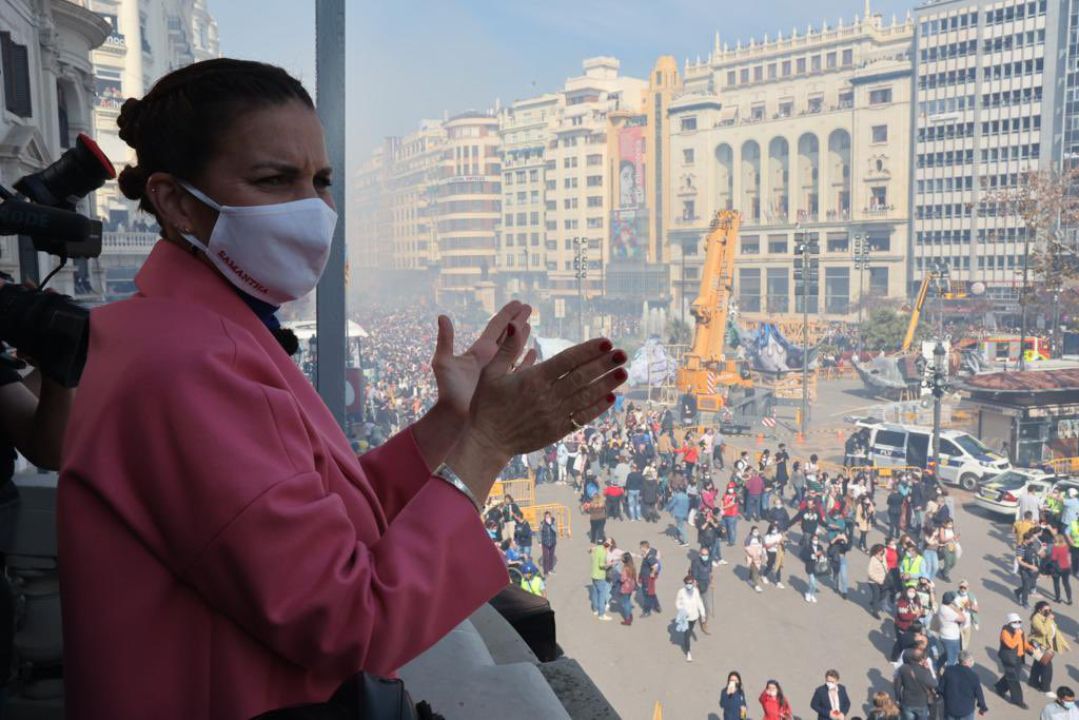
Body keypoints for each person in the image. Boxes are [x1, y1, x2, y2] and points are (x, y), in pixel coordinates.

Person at [57, 58, 630, 719]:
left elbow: (320, 514)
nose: (312, 208)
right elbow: (348, 622)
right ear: (177, 202)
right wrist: (488, 446)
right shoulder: (185, 365)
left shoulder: (203, 330)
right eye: (275, 180)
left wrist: (452, 421)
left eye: (320, 181)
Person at [1030, 601, 1070, 694]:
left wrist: (1063, 643)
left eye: (1050, 610)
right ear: (1040, 610)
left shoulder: (1047, 617)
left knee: (1038, 664)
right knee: (1047, 667)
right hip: (1040, 646)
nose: (1049, 611)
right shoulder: (1036, 618)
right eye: (1046, 610)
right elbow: (1043, 631)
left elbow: (1055, 631)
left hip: (1047, 645)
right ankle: (1046, 689)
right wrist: (1048, 619)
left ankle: (1033, 682)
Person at [994, 612, 1031, 709]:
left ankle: (1000, 687)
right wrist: (1017, 634)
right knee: (1014, 679)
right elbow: (1011, 644)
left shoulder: (1020, 631)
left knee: (1012, 676)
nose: (1018, 623)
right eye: (1015, 622)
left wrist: (1031, 649)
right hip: (1008, 658)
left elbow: (1024, 643)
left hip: (1018, 658)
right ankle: (1017, 700)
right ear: (1009, 622)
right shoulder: (1005, 632)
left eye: (1019, 621)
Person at [939, 651, 988, 720]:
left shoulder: (949, 670)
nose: (972, 662)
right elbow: (979, 693)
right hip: (966, 711)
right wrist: (982, 707)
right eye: (971, 660)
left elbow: (941, 688)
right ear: (966, 662)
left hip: (950, 708)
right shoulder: (973, 676)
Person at [675, 575, 706, 662]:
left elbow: (699, 603)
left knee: (690, 629)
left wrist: (703, 614)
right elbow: (677, 602)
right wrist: (682, 610)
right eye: (687, 583)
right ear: (685, 583)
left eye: (690, 583)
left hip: (694, 616)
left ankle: (686, 640)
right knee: (687, 634)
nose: (689, 585)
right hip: (685, 618)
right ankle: (688, 653)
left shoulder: (695, 591)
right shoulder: (681, 592)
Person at [936, 591, 967, 667]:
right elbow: (963, 618)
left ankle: (936, 666)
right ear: (951, 601)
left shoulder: (942, 607)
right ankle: (948, 675)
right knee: (952, 659)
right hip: (951, 638)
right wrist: (956, 608)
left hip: (945, 636)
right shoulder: (948, 611)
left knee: (947, 654)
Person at [1017, 529, 1042, 608]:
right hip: (1024, 570)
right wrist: (1031, 566)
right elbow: (1019, 561)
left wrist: (1042, 549)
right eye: (1031, 539)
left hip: (1033, 569)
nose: (1032, 540)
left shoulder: (1031, 545)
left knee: (1030, 584)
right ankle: (1025, 602)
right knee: (1027, 585)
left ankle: (1018, 591)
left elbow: (1036, 553)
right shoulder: (1020, 548)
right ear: (1026, 540)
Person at [691, 547, 715, 624]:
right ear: (700, 554)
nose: (705, 556)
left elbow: (710, 572)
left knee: (705, 602)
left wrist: (712, 582)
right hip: (698, 584)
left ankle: (704, 620)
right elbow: (694, 575)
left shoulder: (710, 560)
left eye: (706, 554)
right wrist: (695, 585)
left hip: (706, 584)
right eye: (703, 554)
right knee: (697, 601)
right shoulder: (696, 562)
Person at [590, 539, 613, 621]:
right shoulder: (603, 552)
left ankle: (595, 609)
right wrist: (608, 564)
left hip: (593, 574)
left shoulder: (597, 548)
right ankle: (601, 614)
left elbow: (590, 551)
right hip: (600, 576)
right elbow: (601, 565)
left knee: (595, 593)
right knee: (602, 595)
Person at [639, 541, 662, 616]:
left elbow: (655, 566)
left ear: (644, 547)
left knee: (647, 594)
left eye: (641, 547)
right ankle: (657, 606)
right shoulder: (652, 550)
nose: (640, 549)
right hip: (646, 577)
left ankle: (647, 611)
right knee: (651, 592)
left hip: (647, 578)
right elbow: (658, 551)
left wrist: (652, 573)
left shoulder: (649, 557)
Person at [802, 533, 826, 603]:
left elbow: (823, 554)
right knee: (812, 582)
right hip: (810, 567)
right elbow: (803, 555)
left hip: (817, 567)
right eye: (814, 539)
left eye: (817, 539)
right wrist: (813, 555)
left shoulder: (820, 547)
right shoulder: (807, 547)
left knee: (814, 583)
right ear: (811, 540)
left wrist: (821, 555)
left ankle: (812, 594)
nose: (815, 540)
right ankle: (808, 593)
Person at [868, 544, 889, 619]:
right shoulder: (873, 559)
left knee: (883, 594)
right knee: (876, 594)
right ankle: (875, 611)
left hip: (884, 580)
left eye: (882, 550)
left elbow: (887, 550)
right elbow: (870, 573)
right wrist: (879, 580)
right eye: (881, 550)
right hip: (874, 581)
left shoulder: (883, 556)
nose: (882, 551)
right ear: (877, 551)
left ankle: (874, 602)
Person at [1051, 533, 1073, 604]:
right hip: (1066, 568)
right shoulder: (1066, 546)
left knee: (1056, 583)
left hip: (1056, 568)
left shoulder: (1055, 547)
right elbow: (1069, 556)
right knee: (1066, 583)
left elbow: (1053, 558)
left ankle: (1058, 598)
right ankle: (1069, 599)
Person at [617, 553, 637, 626]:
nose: (621, 559)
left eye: (622, 558)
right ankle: (629, 614)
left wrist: (619, 578)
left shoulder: (625, 568)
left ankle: (627, 619)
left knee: (625, 603)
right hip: (631, 586)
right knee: (628, 600)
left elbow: (623, 579)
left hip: (626, 587)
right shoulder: (632, 566)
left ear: (625, 560)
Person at [540, 511, 558, 575]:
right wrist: (539, 542)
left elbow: (556, 530)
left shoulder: (554, 522)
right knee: (545, 557)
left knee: (551, 556)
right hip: (545, 542)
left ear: (550, 516)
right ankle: (546, 571)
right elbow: (539, 532)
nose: (547, 518)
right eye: (546, 517)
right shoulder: (542, 523)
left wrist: (550, 525)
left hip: (552, 542)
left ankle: (551, 569)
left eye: (548, 516)